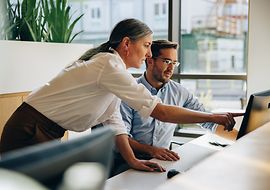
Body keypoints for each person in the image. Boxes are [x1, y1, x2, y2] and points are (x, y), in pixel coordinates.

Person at [0, 18, 241, 172]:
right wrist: (216, 117)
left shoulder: (114, 72)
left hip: (44, 130)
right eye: (146, 45)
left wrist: (133, 161)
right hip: (31, 128)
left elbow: (114, 122)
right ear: (127, 43)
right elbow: (160, 111)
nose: (148, 54)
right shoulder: (108, 65)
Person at [119, 40, 238, 163]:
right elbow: (121, 136)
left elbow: (209, 122)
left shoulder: (180, 92)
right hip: (129, 161)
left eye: (174, 63)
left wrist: (240, 139)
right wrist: (152, 150)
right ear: (150, 61)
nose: (171, 68)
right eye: (167, 61)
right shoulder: (129, 92)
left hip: (162, 160)